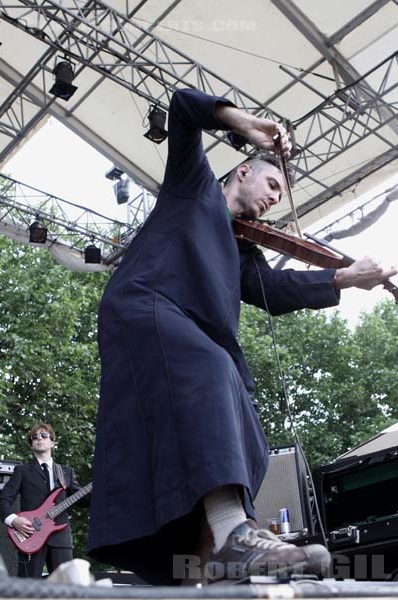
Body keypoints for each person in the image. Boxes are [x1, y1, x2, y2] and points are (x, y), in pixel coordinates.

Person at [87, 88, 396, 585]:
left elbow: (273, 287)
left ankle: (212, 554)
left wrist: (345, 278)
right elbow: (183, 108)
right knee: (211, 367)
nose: (276, 196)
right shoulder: (193, 187)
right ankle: (235, 533)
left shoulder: (244, 249)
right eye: (272, 182)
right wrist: (246, 123)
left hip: (189, 337)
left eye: (281, 192)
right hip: (145, 305)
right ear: (243, 171)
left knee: (243, 416)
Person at [0, 423, 87, 578]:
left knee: (66, 586)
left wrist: (101, 489)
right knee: (27, 587)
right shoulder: (22, 471)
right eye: (34, 437)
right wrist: (14, 521)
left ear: (52, 443)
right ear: (31, 445)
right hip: (30, 535)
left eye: (44, 435)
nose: (39, 438)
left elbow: (83, 499)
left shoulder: (66, 472)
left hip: (60, 537)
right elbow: (4, 499)